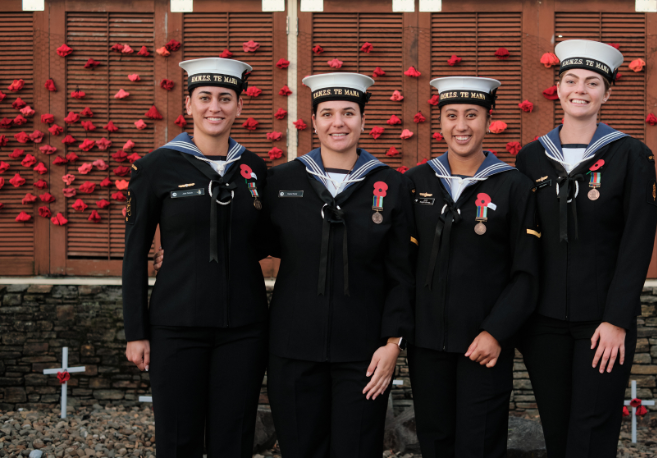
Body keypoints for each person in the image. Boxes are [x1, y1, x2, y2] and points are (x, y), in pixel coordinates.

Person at [515, 39, 657, 458]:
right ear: (558, 89)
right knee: (557, 432)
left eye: (592, 82)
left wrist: (616, 320)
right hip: (543, 324)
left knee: (592, 431)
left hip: (602, 325)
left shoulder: (631, 155)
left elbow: (637, 242)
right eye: (571, 80)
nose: (580, 89)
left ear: (607, 93)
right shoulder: (531, 158)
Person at [261, 73, 416, 458]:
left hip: (362, 353)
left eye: (349, 112)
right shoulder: (281, 181)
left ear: (363, 120)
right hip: (293, 348)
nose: (338, 123)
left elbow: (402, 273)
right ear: (313, 121)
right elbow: (247, 244)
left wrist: (393, 343)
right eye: (327, 113)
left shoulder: (391, 185)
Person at [122, 58, 270, 458]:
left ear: (239, 107)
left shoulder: (255, 169)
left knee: (234, 439)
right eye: (204, 97)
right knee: (177, 439)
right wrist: (136, 331)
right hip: (175, 326)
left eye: (225, 98)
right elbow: (135, 253)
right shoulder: (155, 167)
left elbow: (268, 239)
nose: (214, 107)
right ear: (188, 105)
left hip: (243, 328)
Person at [405, 77, 539, 458]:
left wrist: (496, 332)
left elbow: (527, 273)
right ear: (441, 122)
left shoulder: (514, 186)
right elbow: (402, 265)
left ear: (488, 120)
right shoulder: (417, 182)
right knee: (435, 441)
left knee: (480, 444)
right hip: (427, 343)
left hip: (483, 345)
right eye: (451, 115)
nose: (461, 125)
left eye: (471, 115)